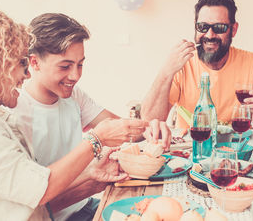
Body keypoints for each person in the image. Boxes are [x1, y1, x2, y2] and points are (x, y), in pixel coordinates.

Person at [11, 13, 171, 221]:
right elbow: (31, 206)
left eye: (80, 64)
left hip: (86, 207)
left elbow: (123, 131)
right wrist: (89, 181)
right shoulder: (15, 114)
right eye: (65, 66)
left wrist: (151, 127)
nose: (75, 76)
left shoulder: (73, 95)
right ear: (35, 62)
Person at [141, 0, 253, 131]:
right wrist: (166, 72)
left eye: (219, 27)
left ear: (234, 29)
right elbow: (149, 120)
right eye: (203, 27)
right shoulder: (182, 63)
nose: (210, 35)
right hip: (190, 148)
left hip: (236, 149)